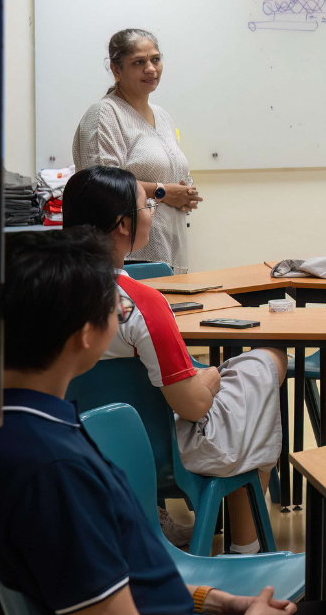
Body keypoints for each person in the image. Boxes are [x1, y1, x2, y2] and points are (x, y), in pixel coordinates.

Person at [2, 229, 326, 615]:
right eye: (117, 306)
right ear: (84, 334)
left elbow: (122, 575)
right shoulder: (54, 468)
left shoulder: (30, 427)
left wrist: (216, 601)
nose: (122, 311)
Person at [63, 165, 286, 554]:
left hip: (71, 446)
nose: (151, 211)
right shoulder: (141, 304)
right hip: (160, 454)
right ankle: (244, 549)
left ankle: (238, 540)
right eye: (146, 205)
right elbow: (194, 406)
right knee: (261, 373)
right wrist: (213, 377)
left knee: (247, 388)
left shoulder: (40, 289)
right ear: (121, 225)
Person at [73, 28, 202, 273]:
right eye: (138, 62)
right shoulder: (104, 115)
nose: (151, 68)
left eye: (155, 59)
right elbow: (100, 186)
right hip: (128, 257)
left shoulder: (163, 115)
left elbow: (168, 173)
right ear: (116, 70)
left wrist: (183, 194)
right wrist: (163, 192)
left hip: (171, 250)